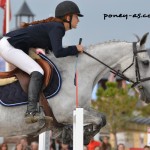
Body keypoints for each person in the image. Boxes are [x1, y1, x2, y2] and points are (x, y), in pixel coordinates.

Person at [0, 0, 84, 124]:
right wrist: (75, 48)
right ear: (68, 17)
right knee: (37, 71)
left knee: (36, 68)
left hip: (10, 45)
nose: (79, 20)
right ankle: (31, 112)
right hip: (9, 46)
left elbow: (51, 53)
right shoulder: (58, 28)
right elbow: (59, 52)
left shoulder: (55, 28)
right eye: (77, 16)